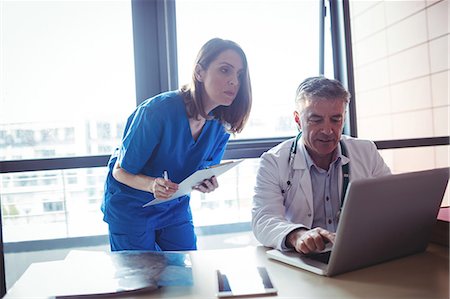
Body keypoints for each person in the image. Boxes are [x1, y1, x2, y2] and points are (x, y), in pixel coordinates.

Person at [102, 38, 252, 251]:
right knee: (141, 281)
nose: (234, 82)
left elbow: (201, 171)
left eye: (239, 74)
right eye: (225, 70)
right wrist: (152, 185)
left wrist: (205, 182)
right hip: (131, 208)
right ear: (199, 72)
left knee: (187, 274)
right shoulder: (156, 112)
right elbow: (120, 172)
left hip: (174, 207)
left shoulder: (220, 125)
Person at [252, 76, 390, 255]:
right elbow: (263, 219)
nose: (327, 130)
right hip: (303, 260)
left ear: (344, 119)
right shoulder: (273, 161)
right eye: (315, 120)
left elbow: (389, 204)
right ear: (297, 120)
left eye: (335, 119)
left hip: (357, 253)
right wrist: (297, 235)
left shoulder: (366, 151)